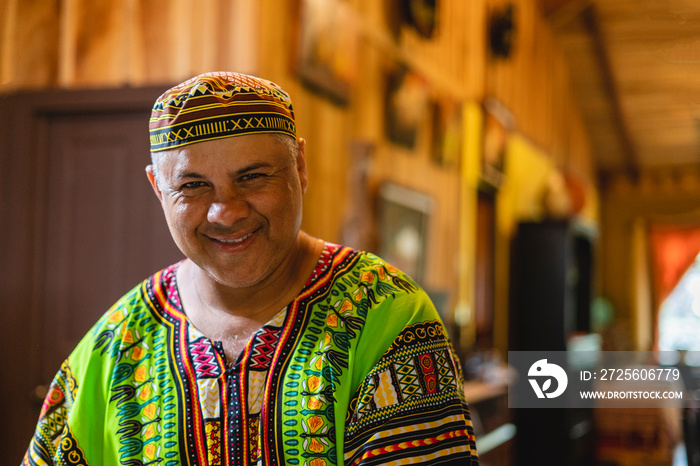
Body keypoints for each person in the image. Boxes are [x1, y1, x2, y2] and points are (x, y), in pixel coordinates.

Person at [23, 71, 478, 465]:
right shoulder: (118, 341)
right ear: (158, 189)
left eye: (252, 176)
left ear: (299, 166)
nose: (226, 211)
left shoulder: (384, 313)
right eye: (193, 185)